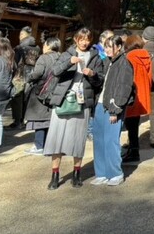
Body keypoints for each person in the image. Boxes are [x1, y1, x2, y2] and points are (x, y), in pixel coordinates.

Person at [43, 27, 104, 190]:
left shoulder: (95, 57)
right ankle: (55, 175)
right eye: (81, 39)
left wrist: (92, 74)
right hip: (63, 99)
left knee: (78, 139)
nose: (84, 42)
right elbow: (55, 71)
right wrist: (69, 62)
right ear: (76, 39)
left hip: (82, 101)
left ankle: (77, 173)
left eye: (87, 39)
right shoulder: (67, 54)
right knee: (56, 138)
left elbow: (100, 81)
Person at [90, 35, 135, 186]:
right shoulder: (107, 61)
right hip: (100, 104)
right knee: (99, 140)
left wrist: (115, 110)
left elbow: (124, 87)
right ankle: (101, 173)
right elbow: (101, 82)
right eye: (106, 46)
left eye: (110, 46)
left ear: (119, 47)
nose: (107, 49)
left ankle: (115, 173)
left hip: (113, 106)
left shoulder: (124, 63)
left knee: (111, 141)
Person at [24, 37, 61, 154]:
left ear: (49, 46)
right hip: (55, 92)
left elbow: (38, 73)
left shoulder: (43, 58)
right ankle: (48, 146)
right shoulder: (61, 57)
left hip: (41, 91)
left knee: (39, 120)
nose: (43, 47)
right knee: (49, 120)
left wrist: (29, 78)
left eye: (44, 45)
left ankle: (39, 146)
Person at [122, 34, 151, 164]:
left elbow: (126, 75)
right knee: (135, 123)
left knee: (130, 124)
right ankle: (133, 149)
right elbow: (150, 77)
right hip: (143, 92)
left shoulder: (129, 56)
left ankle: (134, 151)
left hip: (132, 93)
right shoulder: (146, 55)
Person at [10, 26, 39, 129]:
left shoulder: (20, 48)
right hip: (32, 75)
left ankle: (17, 121)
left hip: (20, 75)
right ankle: (24, 120)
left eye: (21, 34)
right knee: (26, 99)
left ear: (26, 35)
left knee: (17, 98)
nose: (20, 36)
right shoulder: (37, 48)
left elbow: (14, 63)